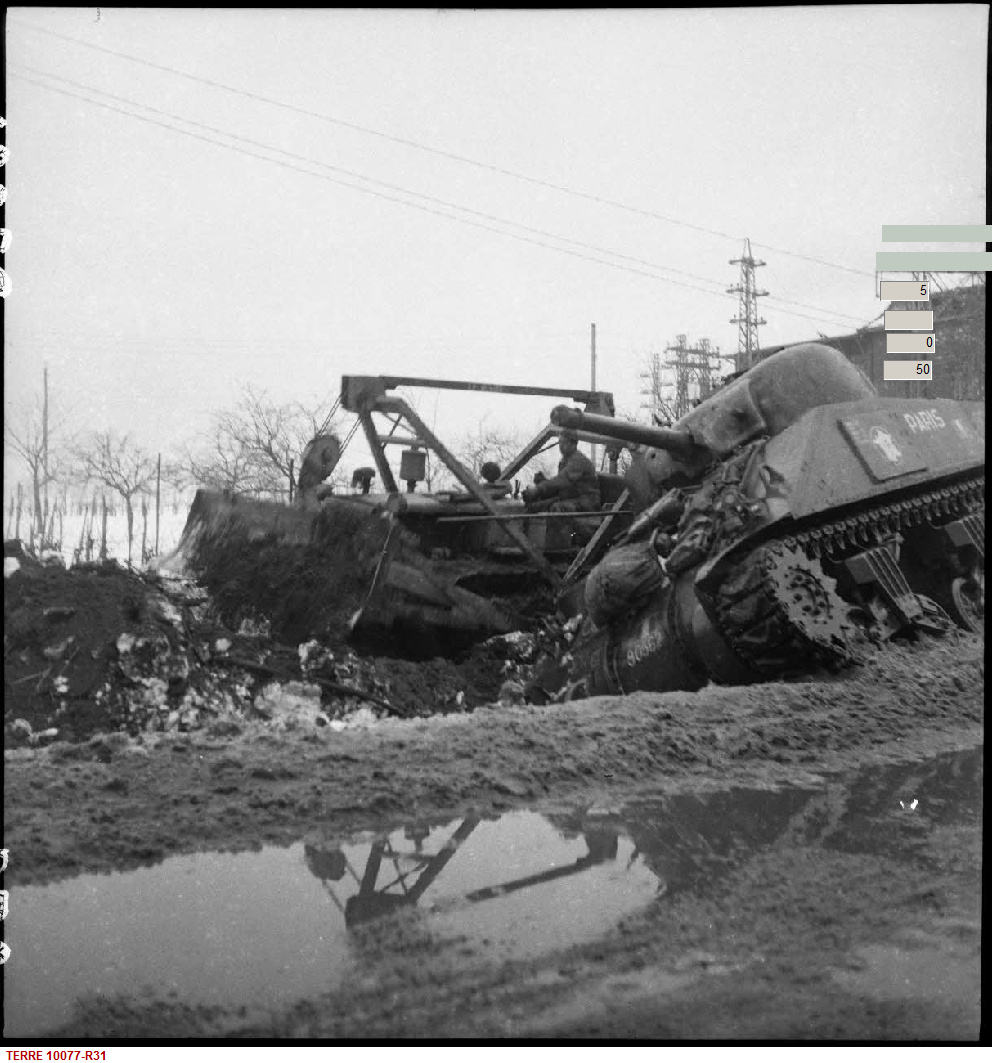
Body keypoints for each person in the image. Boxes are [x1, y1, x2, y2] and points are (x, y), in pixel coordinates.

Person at [522, 428, 600, 513]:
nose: (560, 445)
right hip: (571, 497)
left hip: (588, 500)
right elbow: (560, 485)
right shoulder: (565, 461)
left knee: (558, 508)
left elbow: (562, 480)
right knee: (534, 507)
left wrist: (538, 489)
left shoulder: (579, 460)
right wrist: (542, 483)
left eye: (564, 442)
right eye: (560, 442)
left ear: (573, 444)